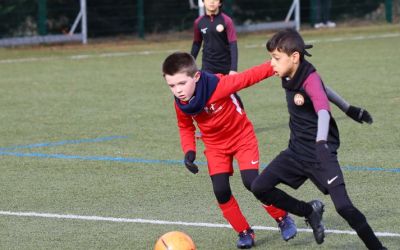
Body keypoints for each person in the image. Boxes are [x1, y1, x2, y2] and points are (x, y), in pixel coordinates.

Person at [251, 29, 387, 250]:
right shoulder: (289, 74)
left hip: (320, 154)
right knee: (260, 187)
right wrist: (348, 107)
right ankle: (309, 211)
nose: (271, 64)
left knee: (344, 207)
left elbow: (322, 109)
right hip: (296, 152)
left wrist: (322, 142)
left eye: (276, 58)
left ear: (294, 57)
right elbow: (325, 90)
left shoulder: (309, 77)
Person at [162, 52, 296, 249]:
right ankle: (244, 232)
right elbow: (185, 127)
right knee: (221, 190)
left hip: (242, 138)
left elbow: (251, 76)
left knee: (252, 182)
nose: (178, 91)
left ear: (196, 77)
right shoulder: (182, 104)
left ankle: (283, 218)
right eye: (172, 86)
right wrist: (189, 151)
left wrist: (284, 62)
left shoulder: (219, 86)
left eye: (182, 83)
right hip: (215, 146)